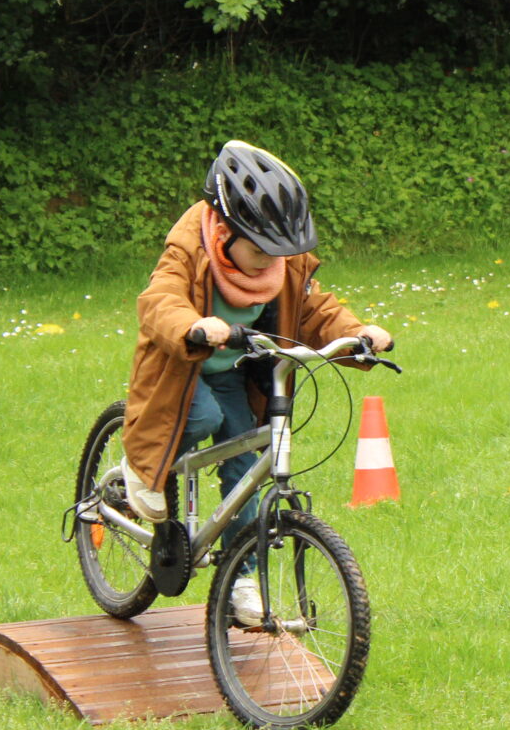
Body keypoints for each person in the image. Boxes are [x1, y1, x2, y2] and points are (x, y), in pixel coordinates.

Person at [118, 140, 392, 624]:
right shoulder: (190, 248)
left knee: (246, 461)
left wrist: (357, 334)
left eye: (280, 251)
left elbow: (314, 310)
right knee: (202, 415)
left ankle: (240, 579)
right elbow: (159, 299)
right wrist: (192, 326)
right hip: (181, 367)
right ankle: (142, 465)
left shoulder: (281, 266)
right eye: (260, 248)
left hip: (237, 372)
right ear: (225, 231)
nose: (271, 260)